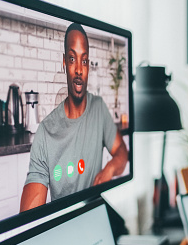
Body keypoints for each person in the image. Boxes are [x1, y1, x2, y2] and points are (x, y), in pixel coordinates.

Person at [20, 23, 128, 212]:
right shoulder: (45, 132)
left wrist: (109, 168)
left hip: (95, 212)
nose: (79, 69)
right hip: (66, 226)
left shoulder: (98, 108)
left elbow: (121, 152)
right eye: (72, 59)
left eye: (84, 61)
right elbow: (28, 217)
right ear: (64, 63)